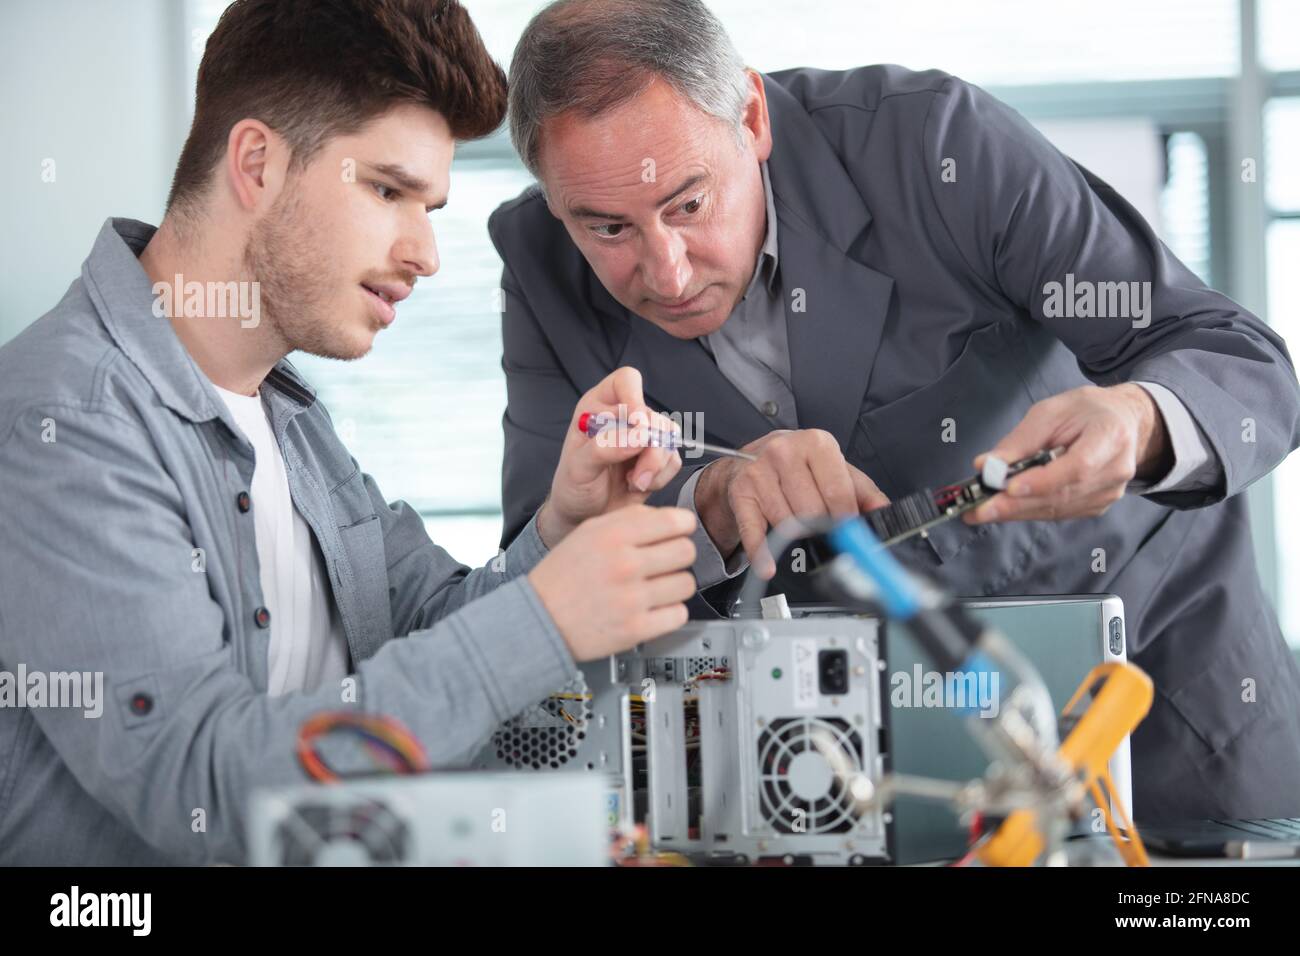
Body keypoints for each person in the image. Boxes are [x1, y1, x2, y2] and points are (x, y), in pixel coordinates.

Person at [490, 0, 1300, 823]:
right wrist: (706, 502)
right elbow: (546, 560)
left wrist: (1140, 423)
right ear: (555, 203)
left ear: (752, 116)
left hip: (1159, 684)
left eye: (689, 205)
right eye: (607, 228)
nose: (665, 272)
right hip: (837, 758)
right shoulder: (536, 265)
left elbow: (1235, 354)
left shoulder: (939, 146)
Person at [0, 0, 703, 865]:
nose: (425, 253)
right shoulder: (66, 422)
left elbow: (422, 630)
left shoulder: (288, 418)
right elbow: (199, 785)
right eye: (386, 190)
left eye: (432, 206)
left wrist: (563, 527)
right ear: (255, 163)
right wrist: (546, 621)